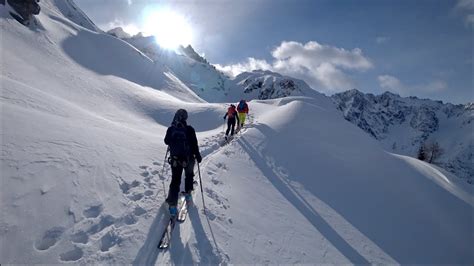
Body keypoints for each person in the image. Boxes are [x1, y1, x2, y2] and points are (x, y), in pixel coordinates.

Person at [164, 109, 202, 216]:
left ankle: (172, 206)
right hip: (188, 158)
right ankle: (188, 194)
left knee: (175, 180)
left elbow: (166, 141)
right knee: (189, 175)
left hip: (175, 159)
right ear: (186, 118)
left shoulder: (171, 129)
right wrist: (198, 156)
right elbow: (194, 145)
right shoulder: (190, 129)